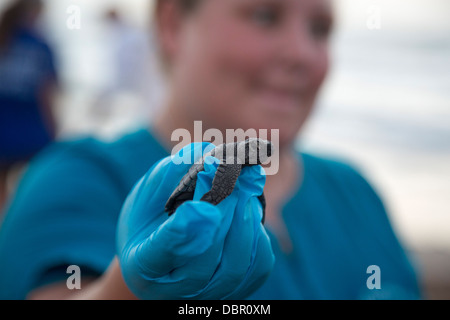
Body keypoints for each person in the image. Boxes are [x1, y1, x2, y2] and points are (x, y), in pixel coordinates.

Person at [0, 0, 421, 299]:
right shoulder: (75, 178)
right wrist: (126, 291)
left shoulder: (357, 192)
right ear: (172, 25)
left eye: (320, 29)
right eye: (264, 15)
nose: (303, 54)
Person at [0, 0, 59, 213]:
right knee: (33, 190)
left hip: (4, 132)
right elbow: (46, 96)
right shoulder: (39, 46)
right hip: (31, 132)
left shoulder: (4, 39)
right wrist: (54, 132)